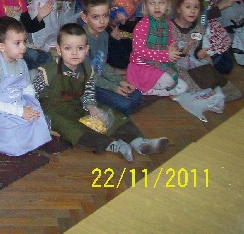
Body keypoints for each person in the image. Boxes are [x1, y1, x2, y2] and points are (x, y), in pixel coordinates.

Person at [37, 23, 169, 161]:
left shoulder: (87, 69)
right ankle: (112, 145)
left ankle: (139, 142)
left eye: (80, 48)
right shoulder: (48, 72)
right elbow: (33, 95)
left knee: (110, 114)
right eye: (68, 48)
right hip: (53, 109)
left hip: (77, 103)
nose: (74, 53)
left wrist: (91, 106)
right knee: (71, 128)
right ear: (59, 50)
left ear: (87, 49)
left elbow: (88, 92)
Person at [0, 16, 51, 156]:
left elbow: (27, 86)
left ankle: (27, 133)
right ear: (1, 46)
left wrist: (31, 104)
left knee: (38, 118)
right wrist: (20, 111)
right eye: (17, 43)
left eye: (24, 41)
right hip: (0, 109)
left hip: (19, 102)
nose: (24, 47)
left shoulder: (21, 62)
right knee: (13, 141)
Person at [171, 0, 241, 102]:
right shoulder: (169, 27)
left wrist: (199, 54)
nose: (192, 11)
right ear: (179, 8)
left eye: (196, 7)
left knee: (211, 70)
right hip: (173, 65)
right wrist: (182, 54)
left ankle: (212, 89)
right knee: (194, 83)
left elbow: (196, 51)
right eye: (188, 7)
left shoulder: (199, 28)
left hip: (191, 63)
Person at [79, 0, 142, 115]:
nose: (102, 21)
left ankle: (110, 99)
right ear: (85, 18)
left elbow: (102, 64)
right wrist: (114, 88)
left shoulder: (103, 35)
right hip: (86, 84)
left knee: (137, 95)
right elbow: (88, 76)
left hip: (99, 77)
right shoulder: (80, 41)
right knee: (126, 103)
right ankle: (95, 104)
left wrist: (119, 81)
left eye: (105, 15)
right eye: (95, 17)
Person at [127, 0, 194, 96]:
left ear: (168, 5)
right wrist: (166, 55)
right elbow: (139, 52)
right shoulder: (141, 26)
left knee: (184, 87)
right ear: (146, 6)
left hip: (159, 63)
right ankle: (144, 88)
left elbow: (170, 44)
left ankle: (151, 90)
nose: (157, 7)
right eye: (152, 3)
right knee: (169, 80)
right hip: (142, 67)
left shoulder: (167, 23)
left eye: (161, 3)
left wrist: (179, 51)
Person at [203, 0, 241, 74]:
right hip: (201, 28)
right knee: (226, 66)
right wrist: (221, 6)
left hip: (208, 24)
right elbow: (201, 17)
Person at [106, 0, 143, 69]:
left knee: (128, 62)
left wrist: (125, 22)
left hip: (130, 36)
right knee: (110, 60)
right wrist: (110, 32)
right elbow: (102, 18)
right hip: (111, 34)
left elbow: (141, 24)